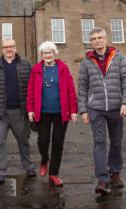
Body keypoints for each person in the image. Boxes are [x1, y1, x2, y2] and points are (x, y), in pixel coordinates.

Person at [77, 27, 126, 196]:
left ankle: (114, 173)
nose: (97, 41)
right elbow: (82, 87)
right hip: (96, 109)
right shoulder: (86, 61)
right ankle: (103, 179)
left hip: (117, 108)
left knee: (116, 142)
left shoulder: (118, 56)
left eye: (100, 37)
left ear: (106, 39)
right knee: (100, 143)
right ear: (91, 42)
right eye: (94, 38)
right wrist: (83, 111)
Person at [0, 39, 36, 184]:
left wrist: (33, 108)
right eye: (6, 47)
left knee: (23, 141)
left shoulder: (25, 64)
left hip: (20, 112)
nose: (9, 49)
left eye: (11, 46)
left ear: (15, 47)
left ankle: (29, 167)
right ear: (2, 49)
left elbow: (32, 87)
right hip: (0, 112)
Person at [27, 41, 78, 187]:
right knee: (43, 141)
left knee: (58, 143)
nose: (48, 55)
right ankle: (44, 159)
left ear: (54, 54)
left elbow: (71, 90)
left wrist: (74, 110)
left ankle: (54, 174)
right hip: (42, 112)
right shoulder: (36, 70)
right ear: (41, 55)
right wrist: (30, 109)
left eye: (50, 52)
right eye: (45, 53)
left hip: (61, 113)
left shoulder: (63, 68)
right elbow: (30, 91)